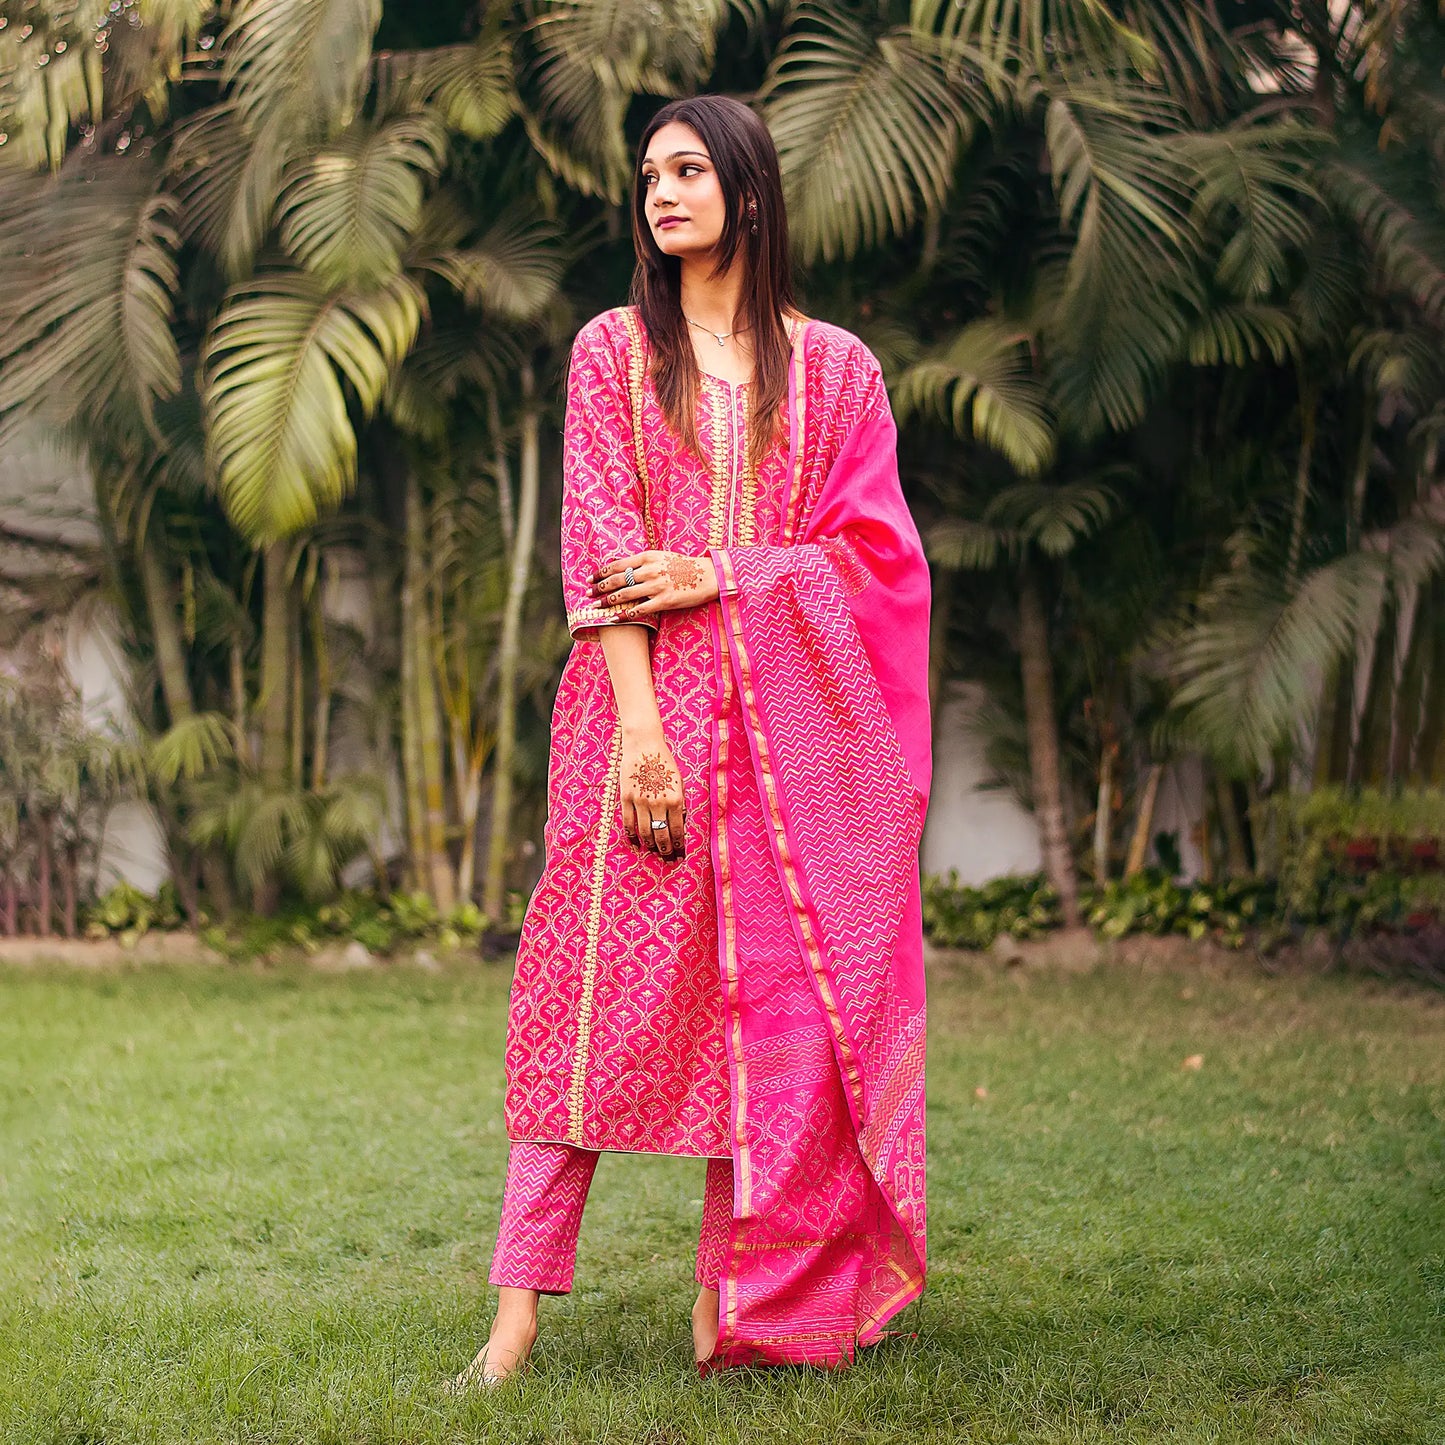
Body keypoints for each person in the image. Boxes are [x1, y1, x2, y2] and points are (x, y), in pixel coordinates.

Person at [454, 93, 932, 1387]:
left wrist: (721, 570)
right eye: (648, 174)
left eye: (686, 170)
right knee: (582, 1009)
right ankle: (514, 1316)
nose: (660, 192)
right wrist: (641, 740)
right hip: (634, 721)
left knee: (764, 1011)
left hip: (788, 743)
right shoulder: (613, 349)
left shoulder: (835, 369)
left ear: (749, 192)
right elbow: (605, 549)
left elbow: (874, 560)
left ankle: (748, 1302)